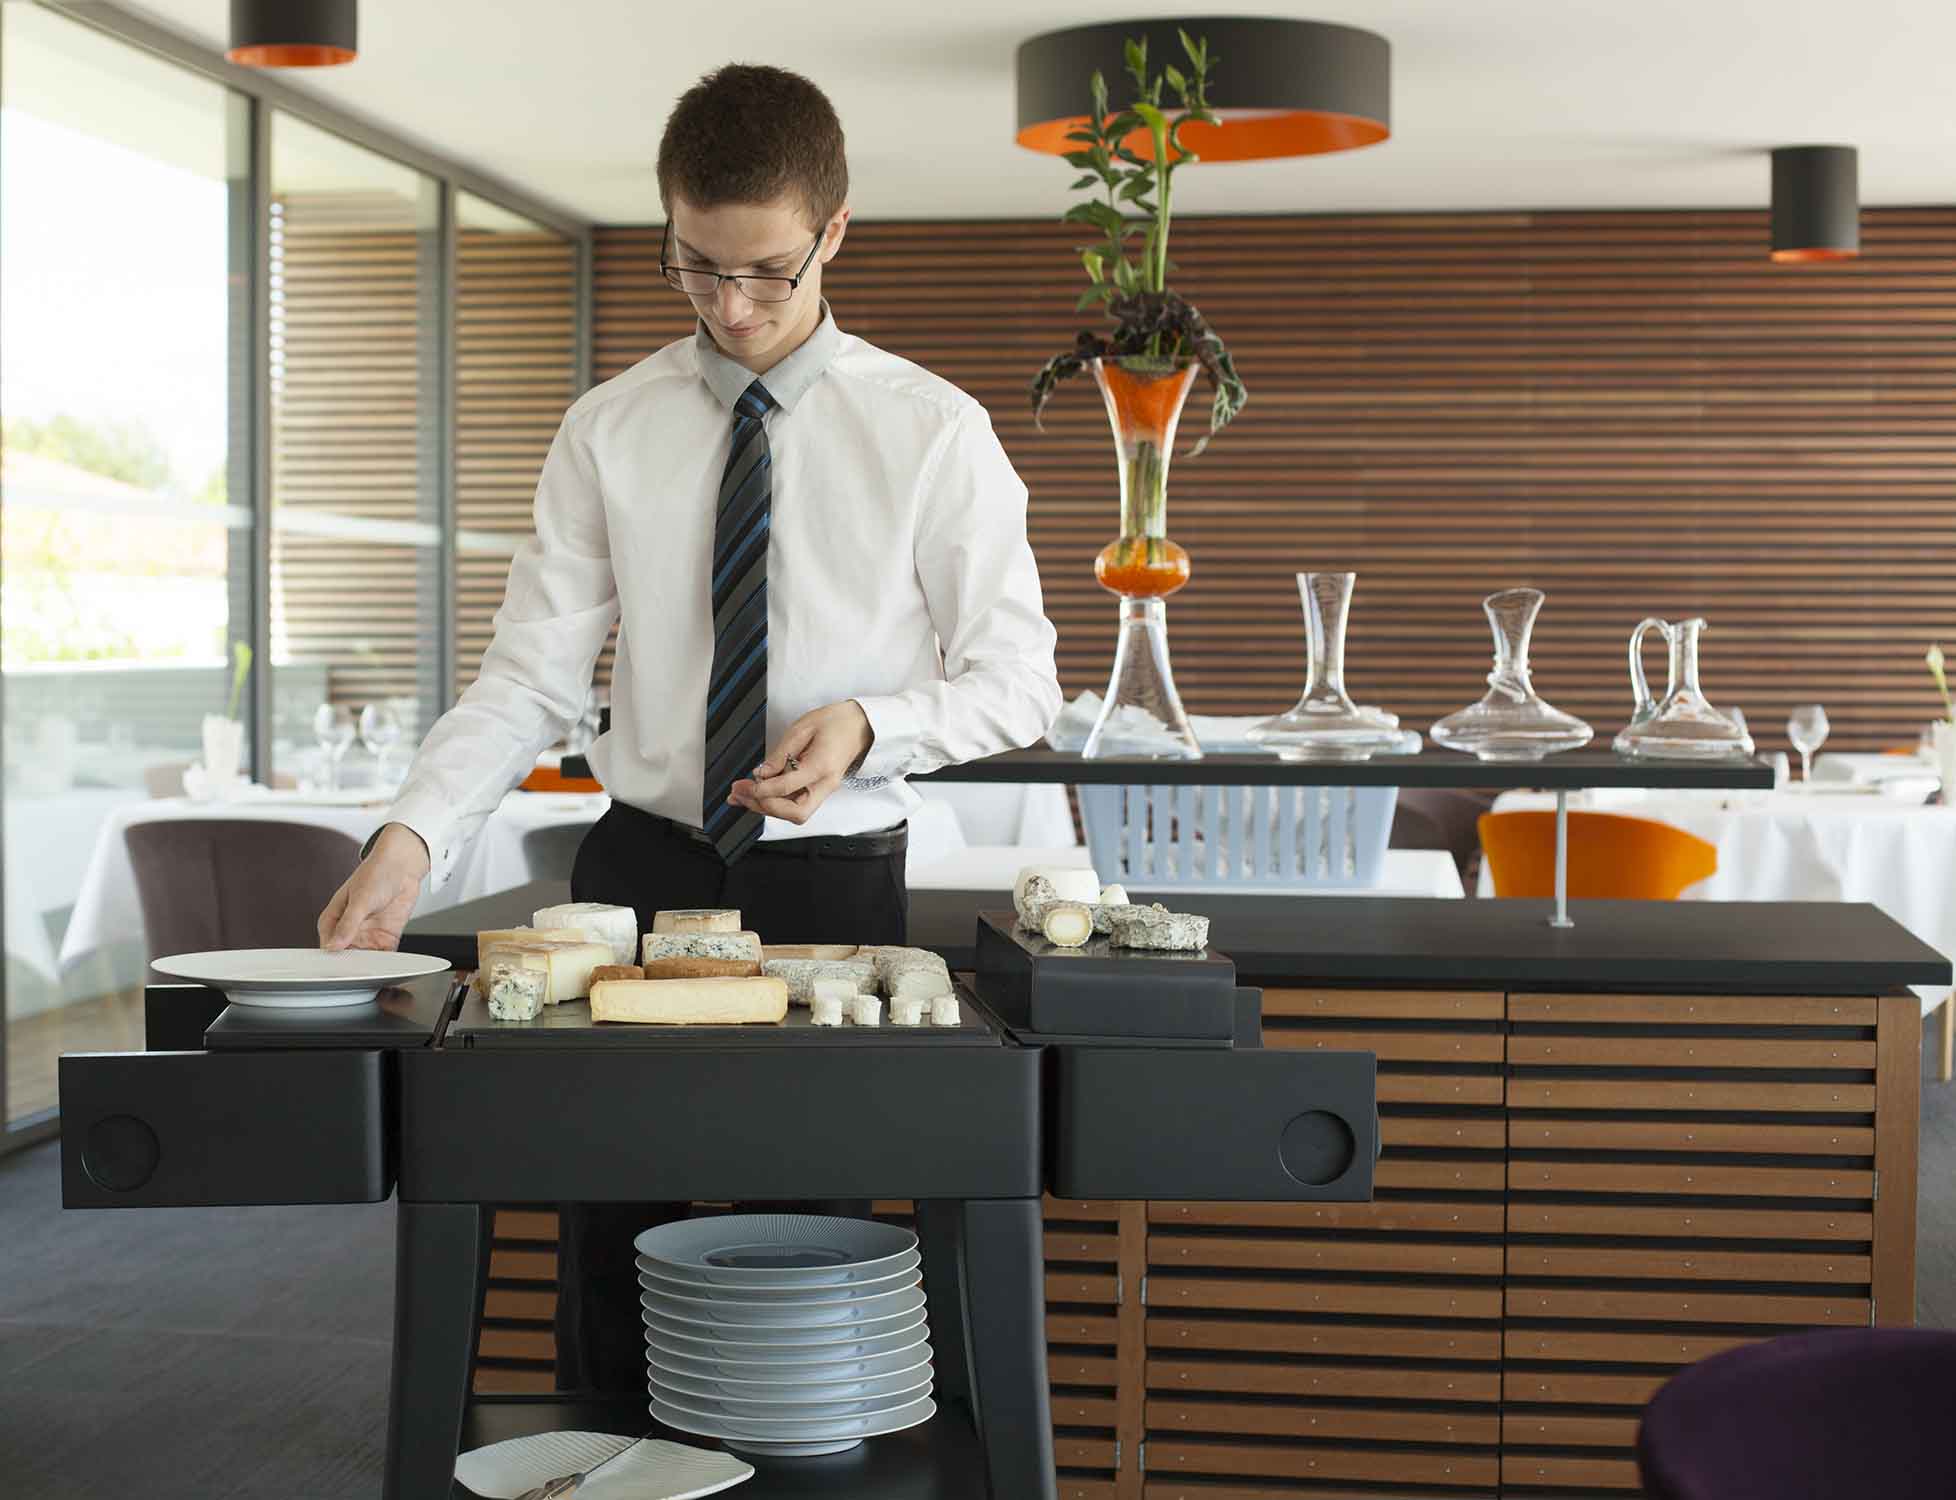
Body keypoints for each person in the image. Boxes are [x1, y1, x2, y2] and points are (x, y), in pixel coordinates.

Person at [314, 63, 1061, 1392]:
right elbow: (526, 680)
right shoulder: (609, 430)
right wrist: (408, 842)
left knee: (821, 1237)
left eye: (768, 270)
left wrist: (869, 726)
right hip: (637, 876)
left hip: (836, 885)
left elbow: (1020, 680)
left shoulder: (935, 433)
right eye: (698, 266)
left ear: (835, 230)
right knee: (609, 1230)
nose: (732, 305)